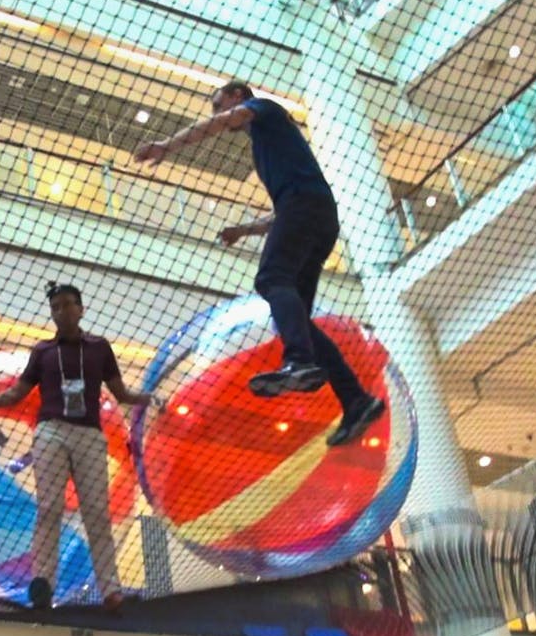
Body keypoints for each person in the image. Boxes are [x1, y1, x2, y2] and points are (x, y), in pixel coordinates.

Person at [133, 81, 385, 447]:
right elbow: (286, 208)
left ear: (238, 96)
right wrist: (245, 230)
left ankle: (299, 361)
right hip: (316, 217)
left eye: (220, 105)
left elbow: (292, 201)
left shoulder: (264, 109)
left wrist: (166, 146)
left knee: (271, 279)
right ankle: (356, 400)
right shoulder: (267, 146)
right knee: (297, 318)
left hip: (307, 210)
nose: (218, 115)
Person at [0, 282, 157, 613]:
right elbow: (16, 394)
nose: (62, 311)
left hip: (89, 435)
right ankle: (43, 585)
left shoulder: (99, 348)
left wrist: (153, 400)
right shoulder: (43, 351)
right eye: (56, 307)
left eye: (69, 304)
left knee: (97, 513)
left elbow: (122, 394)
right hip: (51, 432)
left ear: (81, 309)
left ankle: (111, 592)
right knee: (49, 508)